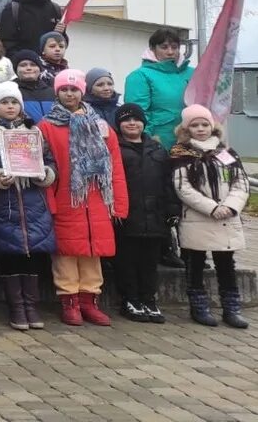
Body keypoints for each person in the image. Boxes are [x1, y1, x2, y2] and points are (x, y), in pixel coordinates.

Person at [37, 69, 127, 326]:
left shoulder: (101, 126)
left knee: (92, 251)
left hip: (97, 199)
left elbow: (115, 167)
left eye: (74, 89)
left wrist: (118, 204)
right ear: (57, 92)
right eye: (64, 89)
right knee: (65, 253)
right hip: (66, 199)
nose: (69, 94)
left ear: (82, 92)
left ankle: (90, 301)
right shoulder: (46, 126)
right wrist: (50, 203)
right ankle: (70, 301)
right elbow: (45, 166)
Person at [0, 82, 55, 330]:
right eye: (5, 102)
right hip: (3, 201)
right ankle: (16, 307)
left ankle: (31, 305)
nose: (10, 106)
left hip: (32, 200)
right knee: (10, 254)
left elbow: (50, 161)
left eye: (14, 102)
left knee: (32, 254)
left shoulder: (34, 131)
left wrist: (46, 173)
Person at [170, 105, 248, 329]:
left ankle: (231, 307)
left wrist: (231, 206)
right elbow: (182, 187)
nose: (201, 129)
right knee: (194, 263)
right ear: (186, 129)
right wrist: (212, 208)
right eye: (195, 125)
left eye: (205, 124)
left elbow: (240, 183)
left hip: (226, 216)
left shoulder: (226, 153)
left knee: (226, 264)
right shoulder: (181, 154)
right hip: (198, 217)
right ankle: (199, 305)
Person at [112, 103, 175, 324]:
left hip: (155, 216)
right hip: (127, 215)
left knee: (150, 262)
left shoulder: (157, 149)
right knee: (127, 261)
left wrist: (171, 210)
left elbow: (168, 182)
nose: (132, 123)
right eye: (126, 120)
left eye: (136, 119)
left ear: (143, 123)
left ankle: (149, 299)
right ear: (119, 125)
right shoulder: (115, 148)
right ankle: (130, 300)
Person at [123, 28, 194, 149]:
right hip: (160, 142)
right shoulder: (140, 76)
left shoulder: (193, 73)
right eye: (164, 47)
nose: (170, 52)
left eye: (174, 47)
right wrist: (147, 142)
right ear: (152, 48)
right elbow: (138, 113)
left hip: (193, 139)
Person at [0, 0, 65, 55]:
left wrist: (60, 34)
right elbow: (6, 42)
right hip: (25, 64)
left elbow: (63, 42)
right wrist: (21, 59)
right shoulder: (13, 9)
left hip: (50, 64)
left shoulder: (55, 8)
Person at [12, 51, 55, 124]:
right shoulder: (11, 91)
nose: (29, 68)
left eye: (33, 65)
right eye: (23, 65)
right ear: (16, 69)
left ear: (40, 69)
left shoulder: (51, 92)